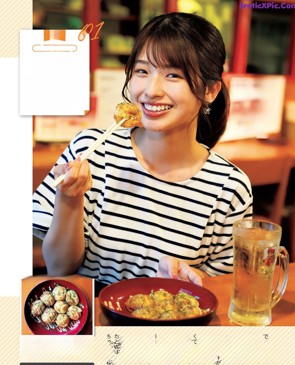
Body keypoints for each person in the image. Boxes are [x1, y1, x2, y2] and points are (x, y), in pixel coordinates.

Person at [33, 12, 253, 290]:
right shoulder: (90, 152)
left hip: (170, 322)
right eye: (142, 71)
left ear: (210, 90)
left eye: (173, 74)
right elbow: (59, 268)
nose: (151, 90)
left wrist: (187, 277)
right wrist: (69, 199)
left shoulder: (230, 188)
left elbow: (222, 288)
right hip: (92, 319)